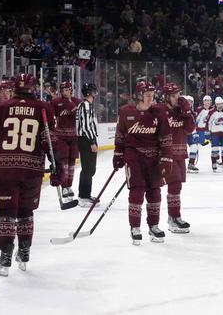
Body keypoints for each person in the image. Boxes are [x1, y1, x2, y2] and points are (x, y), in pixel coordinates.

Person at [0, 73, 58, 276]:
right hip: (32, 168)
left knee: (7, 212)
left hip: (6, 168)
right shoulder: (43, 108)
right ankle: (25, 250)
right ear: (33, 87)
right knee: (26, 211)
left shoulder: (0, 108)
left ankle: (5, 255)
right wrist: (58, 165)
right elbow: (49, 140)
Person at [113, 81, 173, 245]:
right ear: (139, 95)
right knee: (137, 191)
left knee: (154, 192)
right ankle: (135, 227)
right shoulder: (126, 112)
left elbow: (166, 138)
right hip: (134, 157)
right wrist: (118, 154)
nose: (150, 99)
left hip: (153, 158)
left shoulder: (159, 113)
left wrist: (166, 158)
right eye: (147, 95)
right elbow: (120, 134)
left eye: (152, 95)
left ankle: (153, 225)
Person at [161, 83, 195, 233]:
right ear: (167, 97)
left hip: (180, 152)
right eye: (175, 95)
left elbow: (190, 129)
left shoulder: (180, 111)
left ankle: (173, 217)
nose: (178, 98)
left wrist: (187, 112)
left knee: (177, 186)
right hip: (167, 154)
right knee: (173, 185)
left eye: (179, 94)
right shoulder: (161, 110)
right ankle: (174, 217)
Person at [51, 81, 81, 203]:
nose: (65, 92)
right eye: (62, 91)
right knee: (63, 161)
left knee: (72, 162)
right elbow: (50, 116)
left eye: (67, 90)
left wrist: (69, 103)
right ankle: (64, 187)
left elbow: (78, 115)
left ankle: (69, 185)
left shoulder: (77, 102)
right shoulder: (56, 102)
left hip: (74, 136)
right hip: (61, 136)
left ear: (71, 90)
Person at [76, 82, 99, 207]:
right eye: (93, 91)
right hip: (86, 140)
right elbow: (85, 126)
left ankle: (86, 194)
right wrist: (92, 141)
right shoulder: (85, 105)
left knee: (90, 169)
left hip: (87, 139)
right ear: (89, 92)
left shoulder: (87, 105)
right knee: (87, 169)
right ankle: (83, 196)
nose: (95, 93)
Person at [188, 95, 212, 172]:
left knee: (196, 147)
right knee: (195, 147)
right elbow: (195, 121)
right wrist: (195, 131)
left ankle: (191, 164)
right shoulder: (199, 110)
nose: (207, 102)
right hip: (195, 131)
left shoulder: (213, 110)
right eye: (205, 101)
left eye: (208, 101)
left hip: (203, 131)